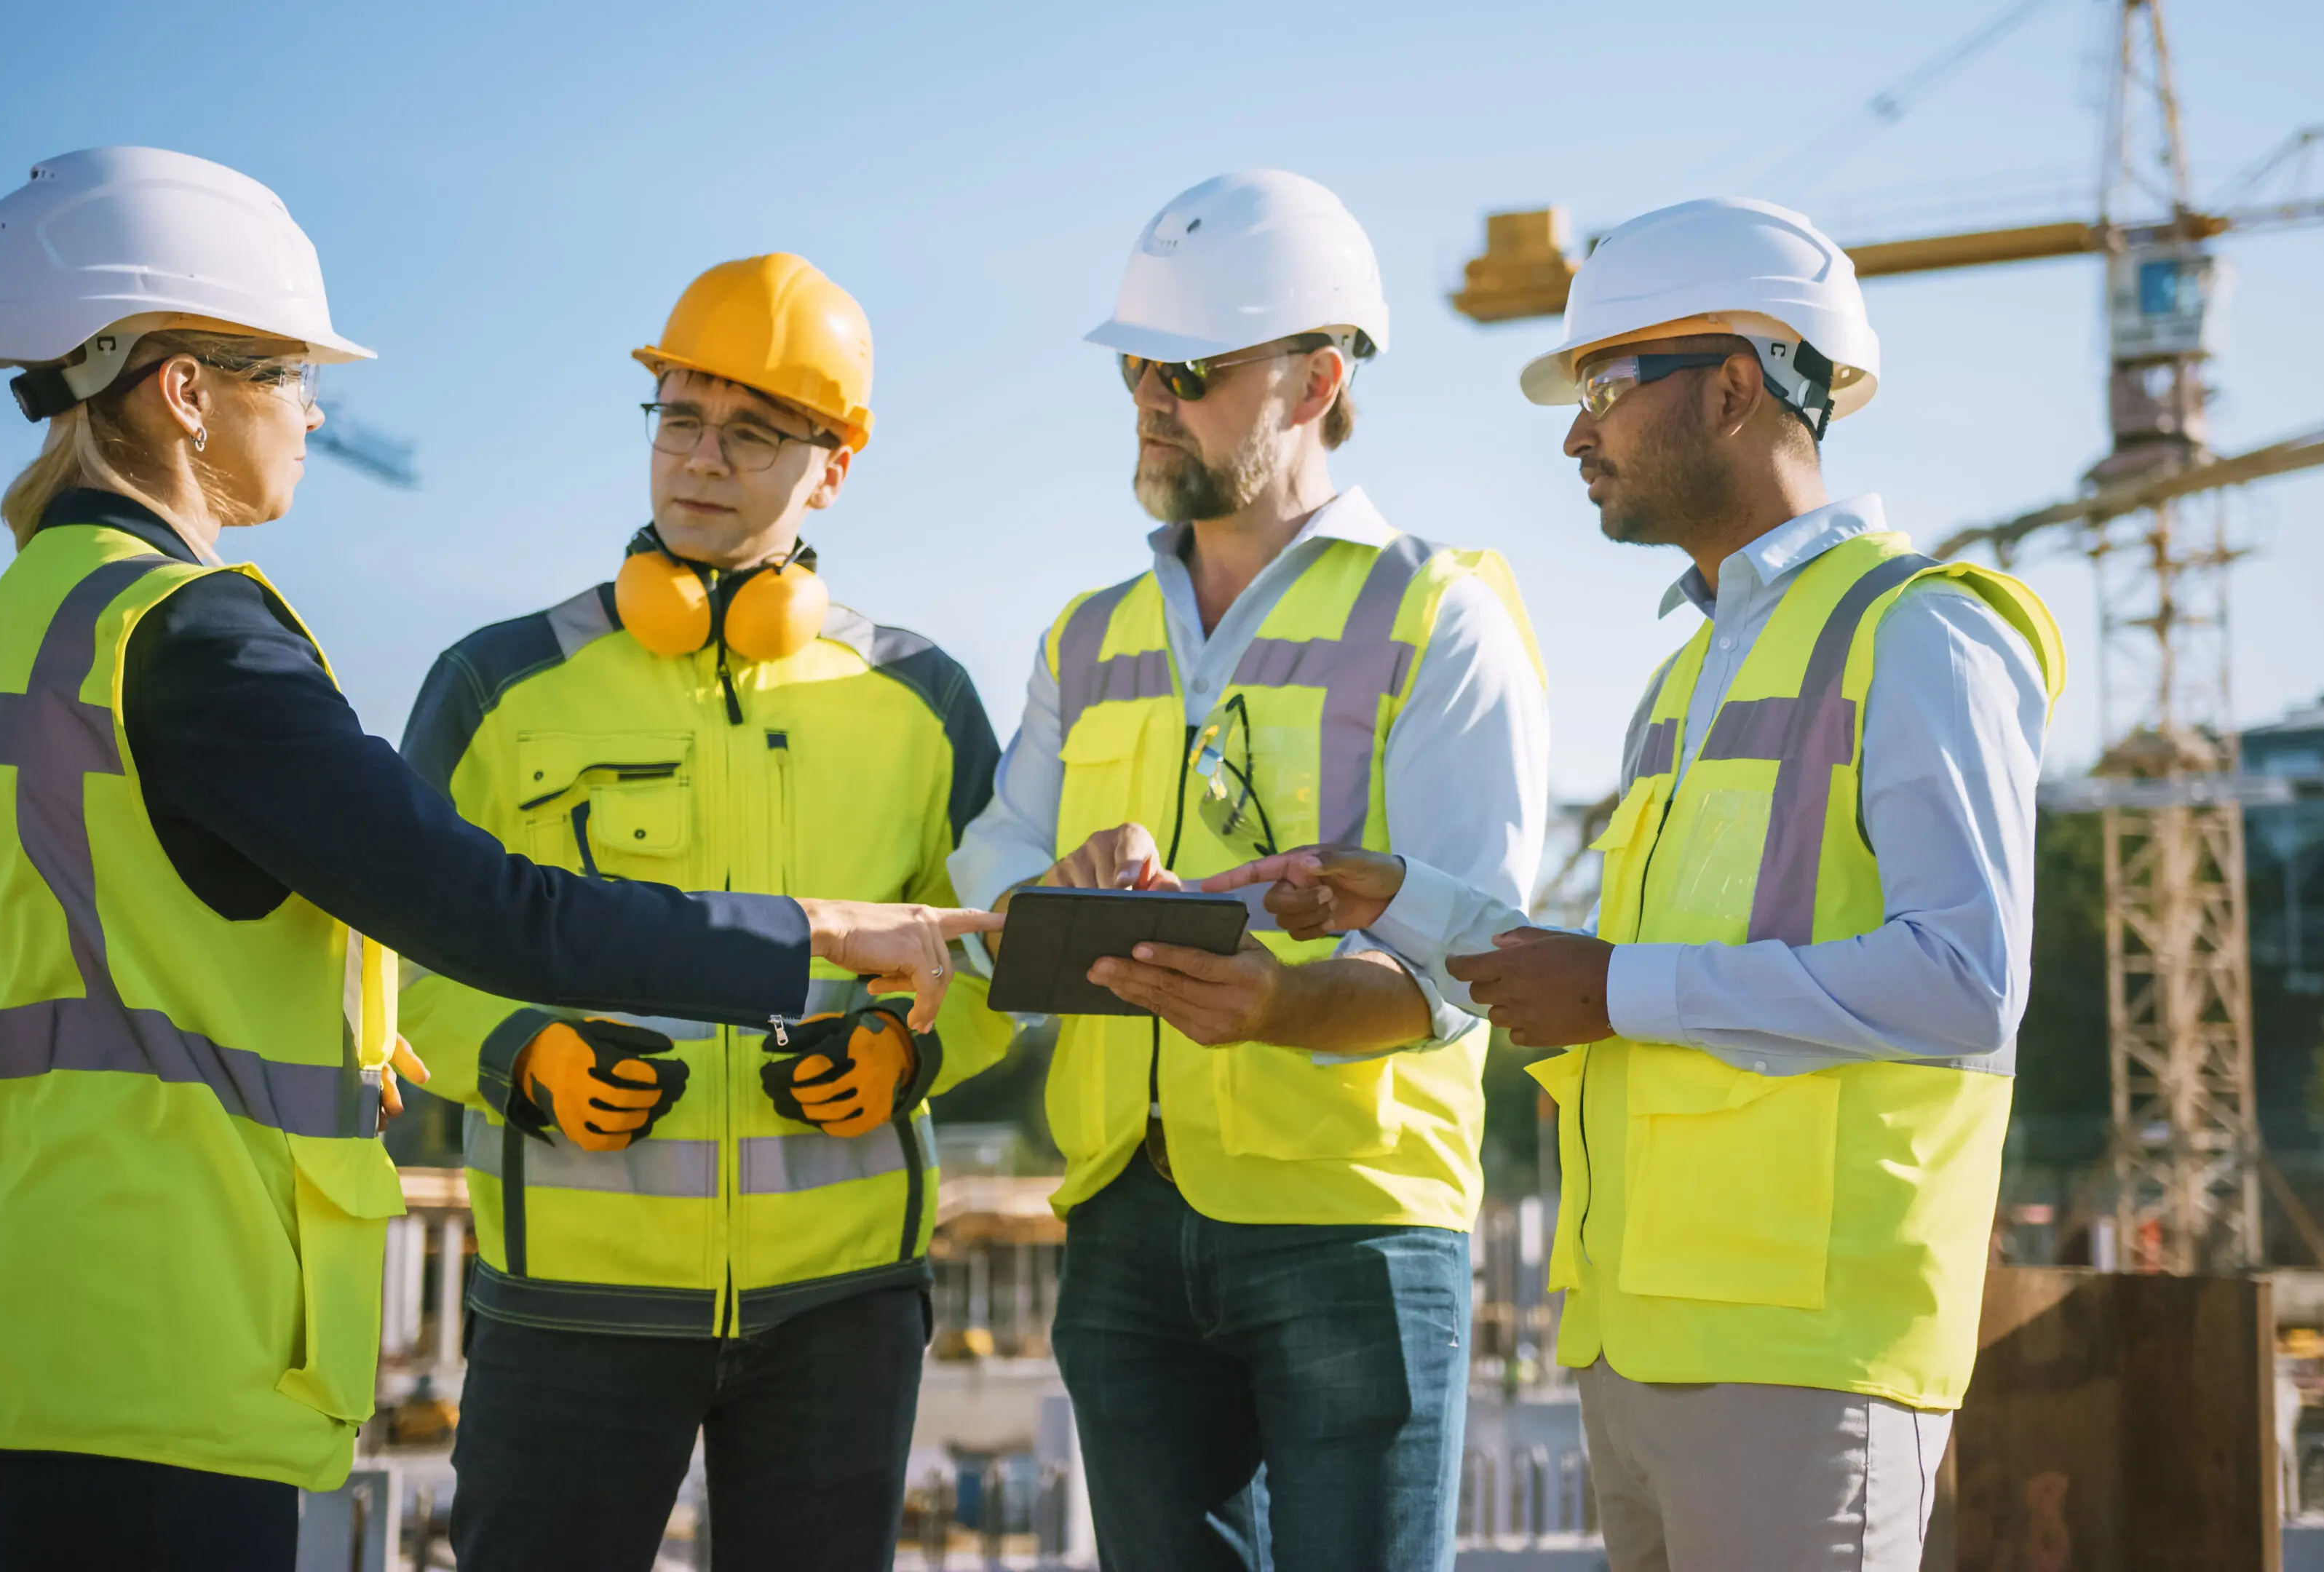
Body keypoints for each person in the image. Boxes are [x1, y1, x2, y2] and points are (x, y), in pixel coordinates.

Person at [0, 147, 992, 1572]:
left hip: (18, 1322)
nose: (310, 411)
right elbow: (472, 908)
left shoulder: (10, 633)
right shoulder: (197, 637)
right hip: (167, 1322)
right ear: (184, 393)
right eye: (287, 376)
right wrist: (810, 939)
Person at [1206, 197, 2065, 1572]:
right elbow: (1605, 986)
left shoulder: (1921, 635)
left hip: (1809, 1342)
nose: (1574, 429)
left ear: (1736, 386)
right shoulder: (1687, 673)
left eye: (1606, 384)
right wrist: (1399, 899)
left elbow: (1964, 986)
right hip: (1647, 1337)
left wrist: (1614, 988)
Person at [948, 170, 1550, 1570]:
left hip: (1351, 1217)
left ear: (1316, 378)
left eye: (1195, 372)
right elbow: (997, 863)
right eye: (1142, 369)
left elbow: (1475, 960)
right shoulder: (1085, 635)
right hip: (1123, 1208)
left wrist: (1281, 1008)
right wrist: (1067, 883)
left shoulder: (1436, 616)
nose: (1156, 397)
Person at [398, 253, 1011, 1571]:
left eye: (753, 432)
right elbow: (389, 952)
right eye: (679, 416)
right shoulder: (498, 687)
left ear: (833, 465)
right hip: (572, 1305)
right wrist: (516, 1056)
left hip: (842, 1312)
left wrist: (918, 1050)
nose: (702, 458)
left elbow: (999, 956)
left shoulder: (922, 700)